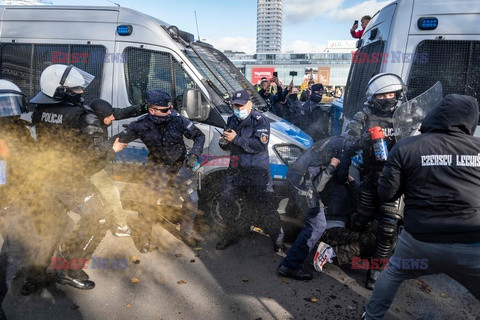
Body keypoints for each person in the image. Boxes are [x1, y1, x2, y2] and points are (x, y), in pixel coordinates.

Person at [363, 94, 480, 319]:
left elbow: (387, 194)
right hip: (472, 243)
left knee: (393, 273)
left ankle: (371, 317)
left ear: (435, 115)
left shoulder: (407, 147)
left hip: (420, 239)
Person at [24, 64, 128, 294]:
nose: (81, 91)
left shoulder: (40, 110)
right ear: (61, 90)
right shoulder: (84, 116)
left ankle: (35, 277)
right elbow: (92, 154)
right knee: (100, 217)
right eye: (76, 88)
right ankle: (71, 270)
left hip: (46, 178)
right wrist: (114, 149)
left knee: (53, 227)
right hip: (70, 181)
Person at [119, 90, 205, 251]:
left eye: (170, 108)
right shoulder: (141, 124)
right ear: (152, 110)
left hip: (180, 167)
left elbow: (199, 136)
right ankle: (144, 239)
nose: (169, 111)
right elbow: (119, 140)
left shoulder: (178, 120)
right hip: (157, 169)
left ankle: (186, 233)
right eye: (165, 110)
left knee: (192, 200)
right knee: (147, 203)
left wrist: (194, 154)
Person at [345, 73, 407, 289]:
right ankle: (350, 252)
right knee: (361, 220)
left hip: (397, 178)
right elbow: (348, 139)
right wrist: (362, 139)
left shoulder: (407, 115)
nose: (388, 98)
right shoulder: (364, 115)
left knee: (389, 227)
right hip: (371, 175)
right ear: (374, 97)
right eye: (383, 95)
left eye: (391, 94)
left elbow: (424, 136)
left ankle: (376, 270)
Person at [277, 136, 358, 280]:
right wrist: (333, 167)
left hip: (296, 179)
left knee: (312, 223)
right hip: (304, 186)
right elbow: (318, 186)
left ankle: (287, 252)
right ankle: (290, 265)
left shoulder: (335, 141)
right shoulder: (341, 153)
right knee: (316, 224)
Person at [215, 89, 284, 251]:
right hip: (236, 171)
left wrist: (236, 139)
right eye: (235, 106)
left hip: (256, 171)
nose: (238, 109)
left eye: (241, 105)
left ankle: (277, 240)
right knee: (226, 201)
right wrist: (224, 141)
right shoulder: (232, 119)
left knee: (266, 207)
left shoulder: (260, 120)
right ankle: (230, 234)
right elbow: (227, 142)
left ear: (250, 104)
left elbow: (259, 145)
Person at [0, 80, 38, 320]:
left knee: (18, 247)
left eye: (11, 104)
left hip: (20, 196)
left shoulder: (20, 129)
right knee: (18, 250)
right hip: (9, 200)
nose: (9, 110)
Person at [86, 98, 147, 237]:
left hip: (97, 161)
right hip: (89, 167)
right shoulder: (91, 130)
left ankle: (98, 215)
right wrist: (114, 149)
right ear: (100, 117)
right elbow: (96, 155)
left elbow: (124, 112)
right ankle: (121, 226)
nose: (113, 118)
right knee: (111, 192)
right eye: (109, 117)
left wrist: (145, 107)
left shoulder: (100, 116)